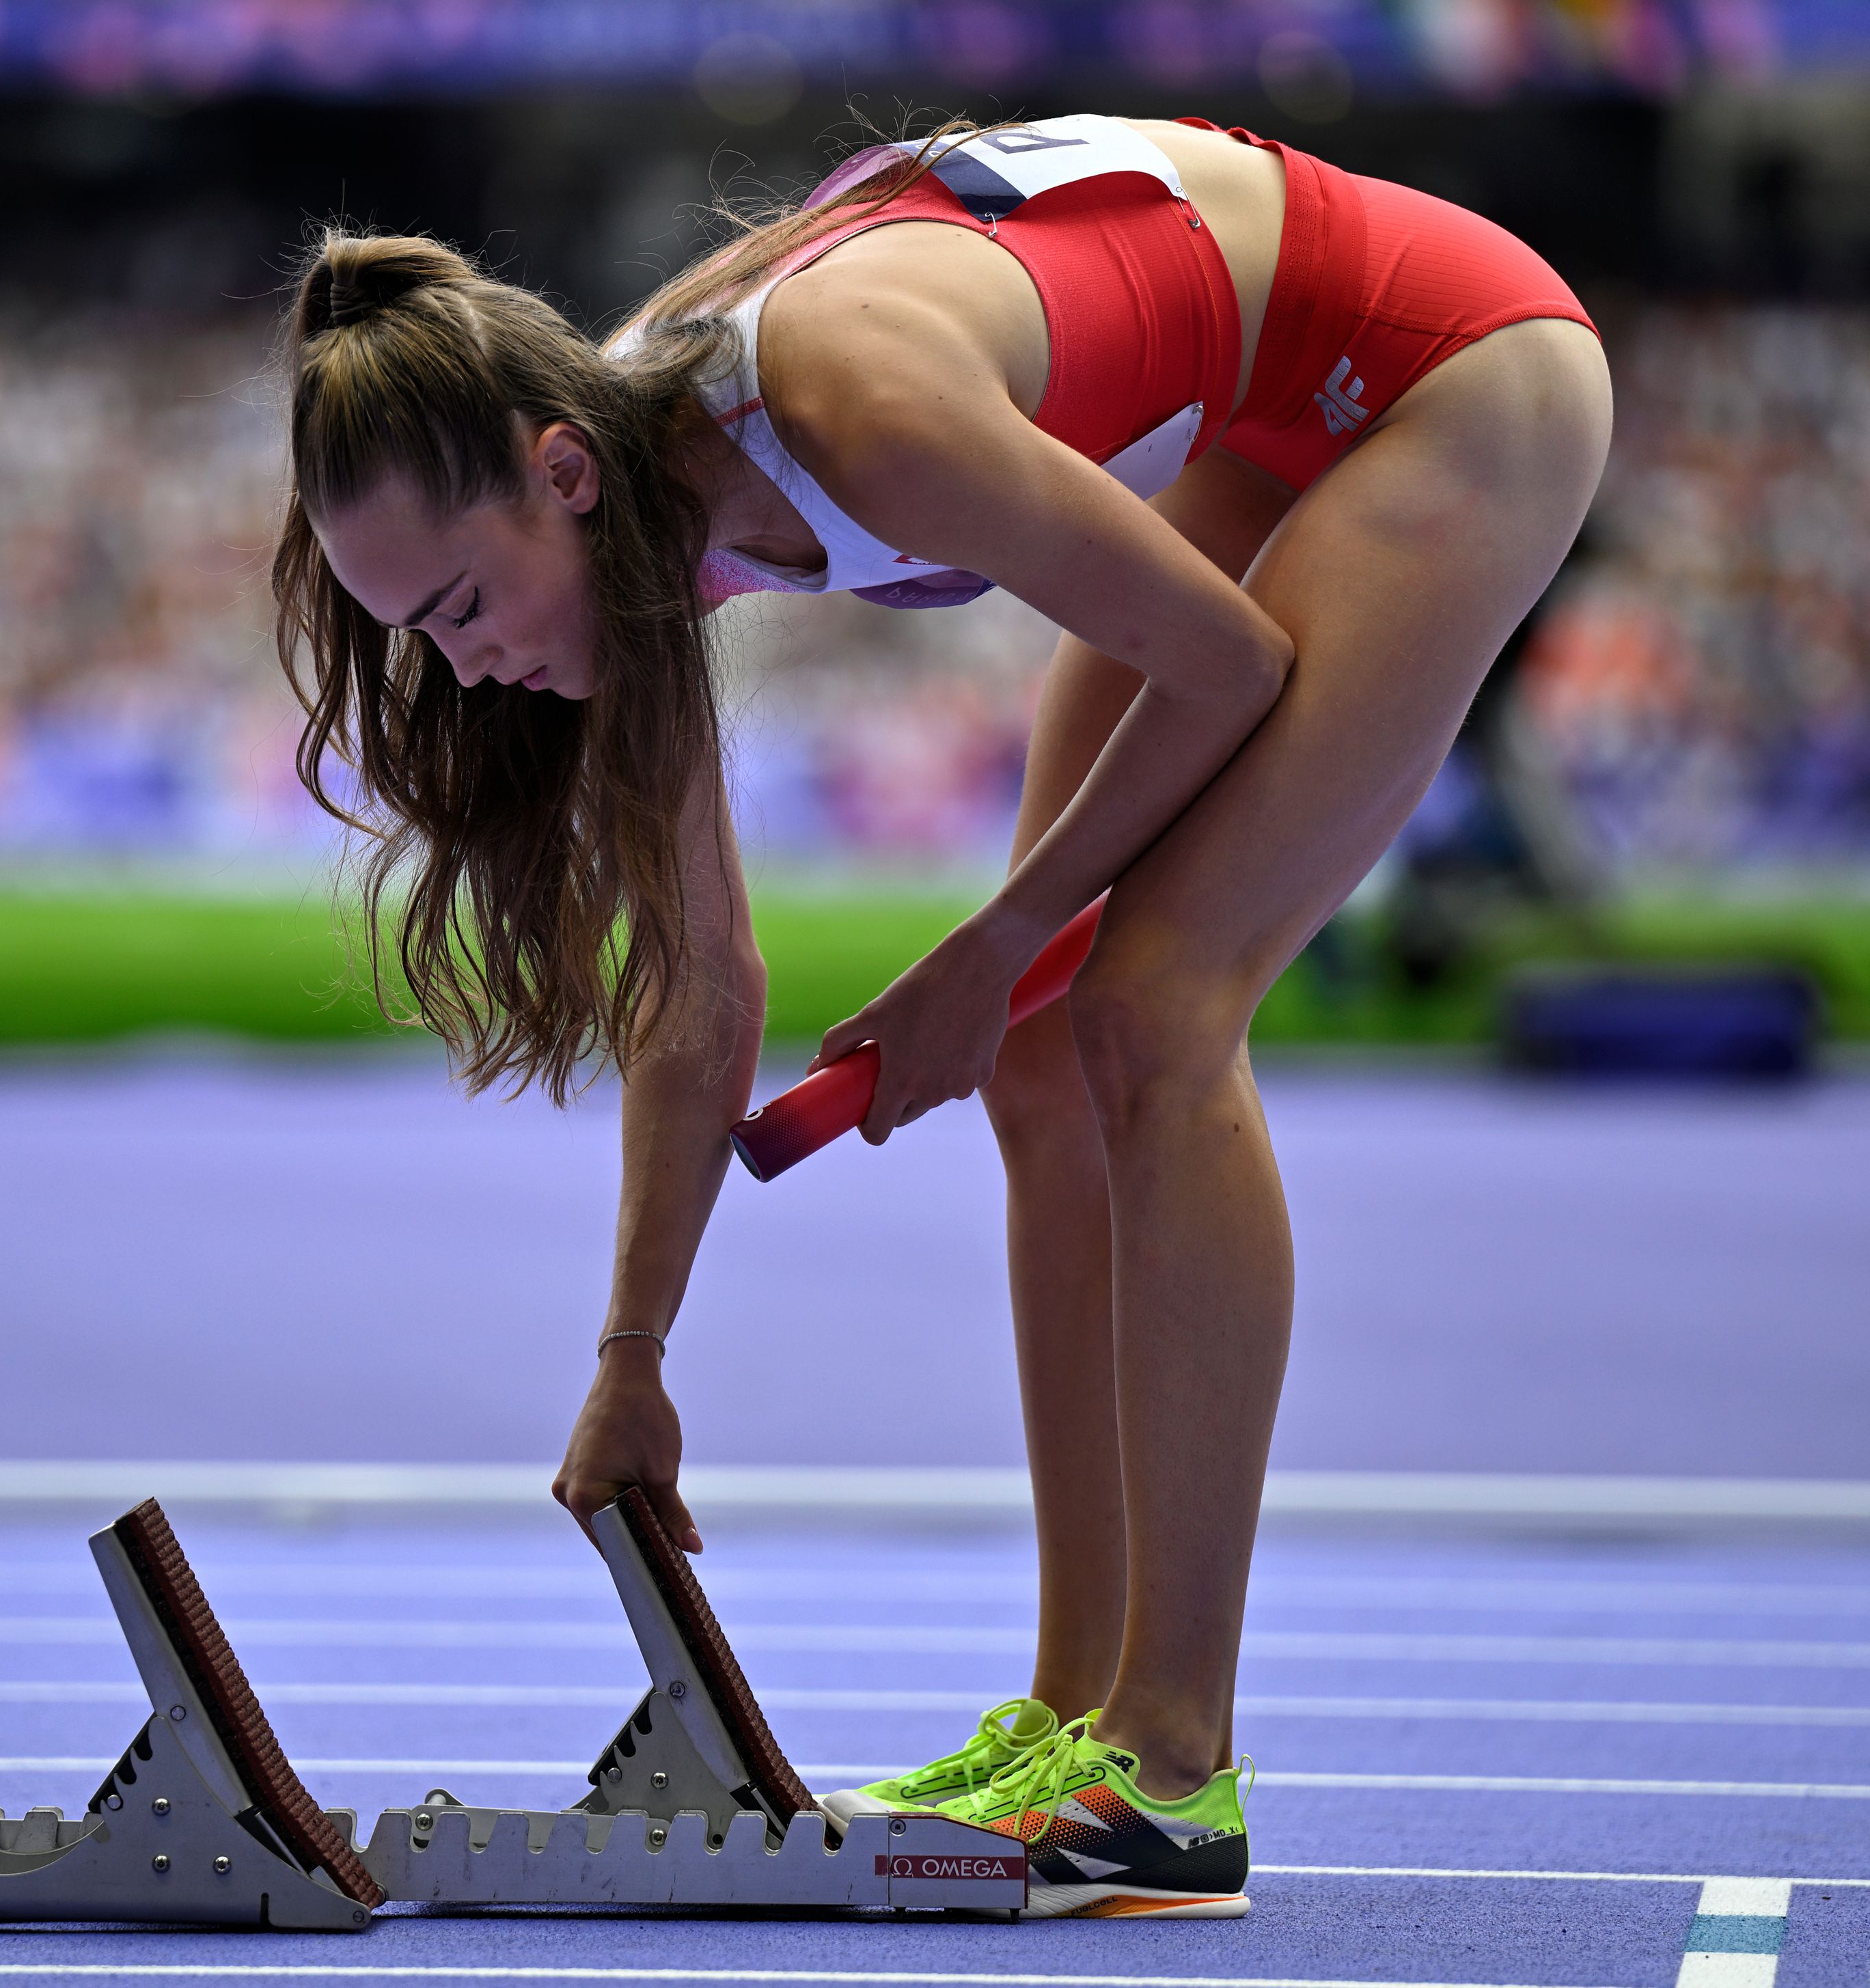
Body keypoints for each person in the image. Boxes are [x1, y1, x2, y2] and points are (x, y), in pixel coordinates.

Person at [272, 113, 1609, 1918]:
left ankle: (1175, 1772)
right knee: (1053, 1059)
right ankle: (1077, 1713)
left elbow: (1235, 666)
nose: (466, 664)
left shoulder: (852, 405)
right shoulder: (631, 497)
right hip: (1266, 412)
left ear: (559, 473)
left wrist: (1004, 937)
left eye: (456, 606)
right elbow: (701, 987)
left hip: (1451, 373)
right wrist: (632, 1361)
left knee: (1149, 1012)